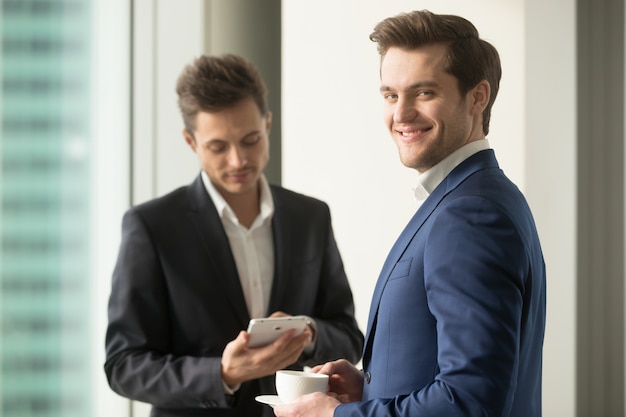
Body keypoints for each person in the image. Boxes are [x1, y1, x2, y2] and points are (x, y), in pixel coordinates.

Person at [274, 9, 546, 417]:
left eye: (424, 93)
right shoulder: (478, 196)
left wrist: (332, 416)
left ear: (478, 96)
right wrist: (369, 387)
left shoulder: (469, 214)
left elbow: (469, 401)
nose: (400, 114)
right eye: (390, 94)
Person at [104, 54, 364, 417]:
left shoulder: (310, 217)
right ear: (190, 141)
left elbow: (349, 337)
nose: (238, 160)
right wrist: (222, 374)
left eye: (251, 139)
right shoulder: (152, 226)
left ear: (268, 124)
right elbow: (124, 366)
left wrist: (308, 333)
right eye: (218, 147)